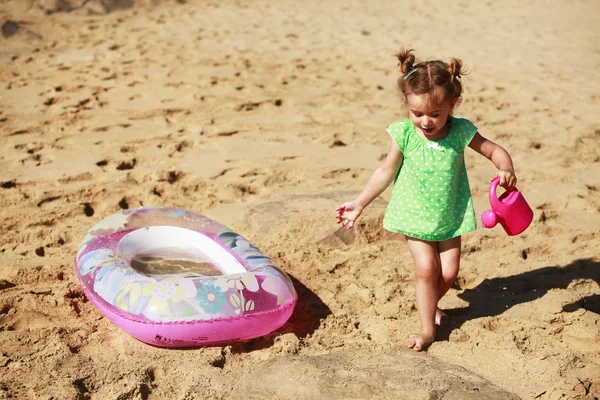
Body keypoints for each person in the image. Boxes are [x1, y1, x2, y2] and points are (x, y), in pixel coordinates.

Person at [335, 47, 518, 351]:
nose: (426, 122)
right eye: (417, 113)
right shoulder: (405, 134)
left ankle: (429, 305)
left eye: (435, 114)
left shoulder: (461, 131)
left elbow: (494, 151)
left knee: (448, 272)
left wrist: (506, 167)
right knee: (427, 269)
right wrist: (359, 202)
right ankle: (426, 329)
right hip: (413, 214)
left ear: (452, 104)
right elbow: (384, 171)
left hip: (450, 214)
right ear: (407, 104)